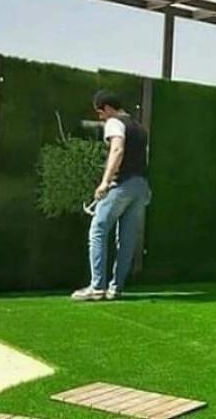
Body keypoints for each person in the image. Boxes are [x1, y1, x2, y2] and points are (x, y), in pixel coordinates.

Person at [71, 90, 151, 301]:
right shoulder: (140, 128)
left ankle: (97, 287)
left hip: (121, 184)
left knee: (98, 230)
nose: (100, 117)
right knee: (127, 238)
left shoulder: (114, 123)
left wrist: (105, 182)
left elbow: (117, 150)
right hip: (141, 186)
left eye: (100, 112)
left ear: (107, 108)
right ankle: (116, 288)